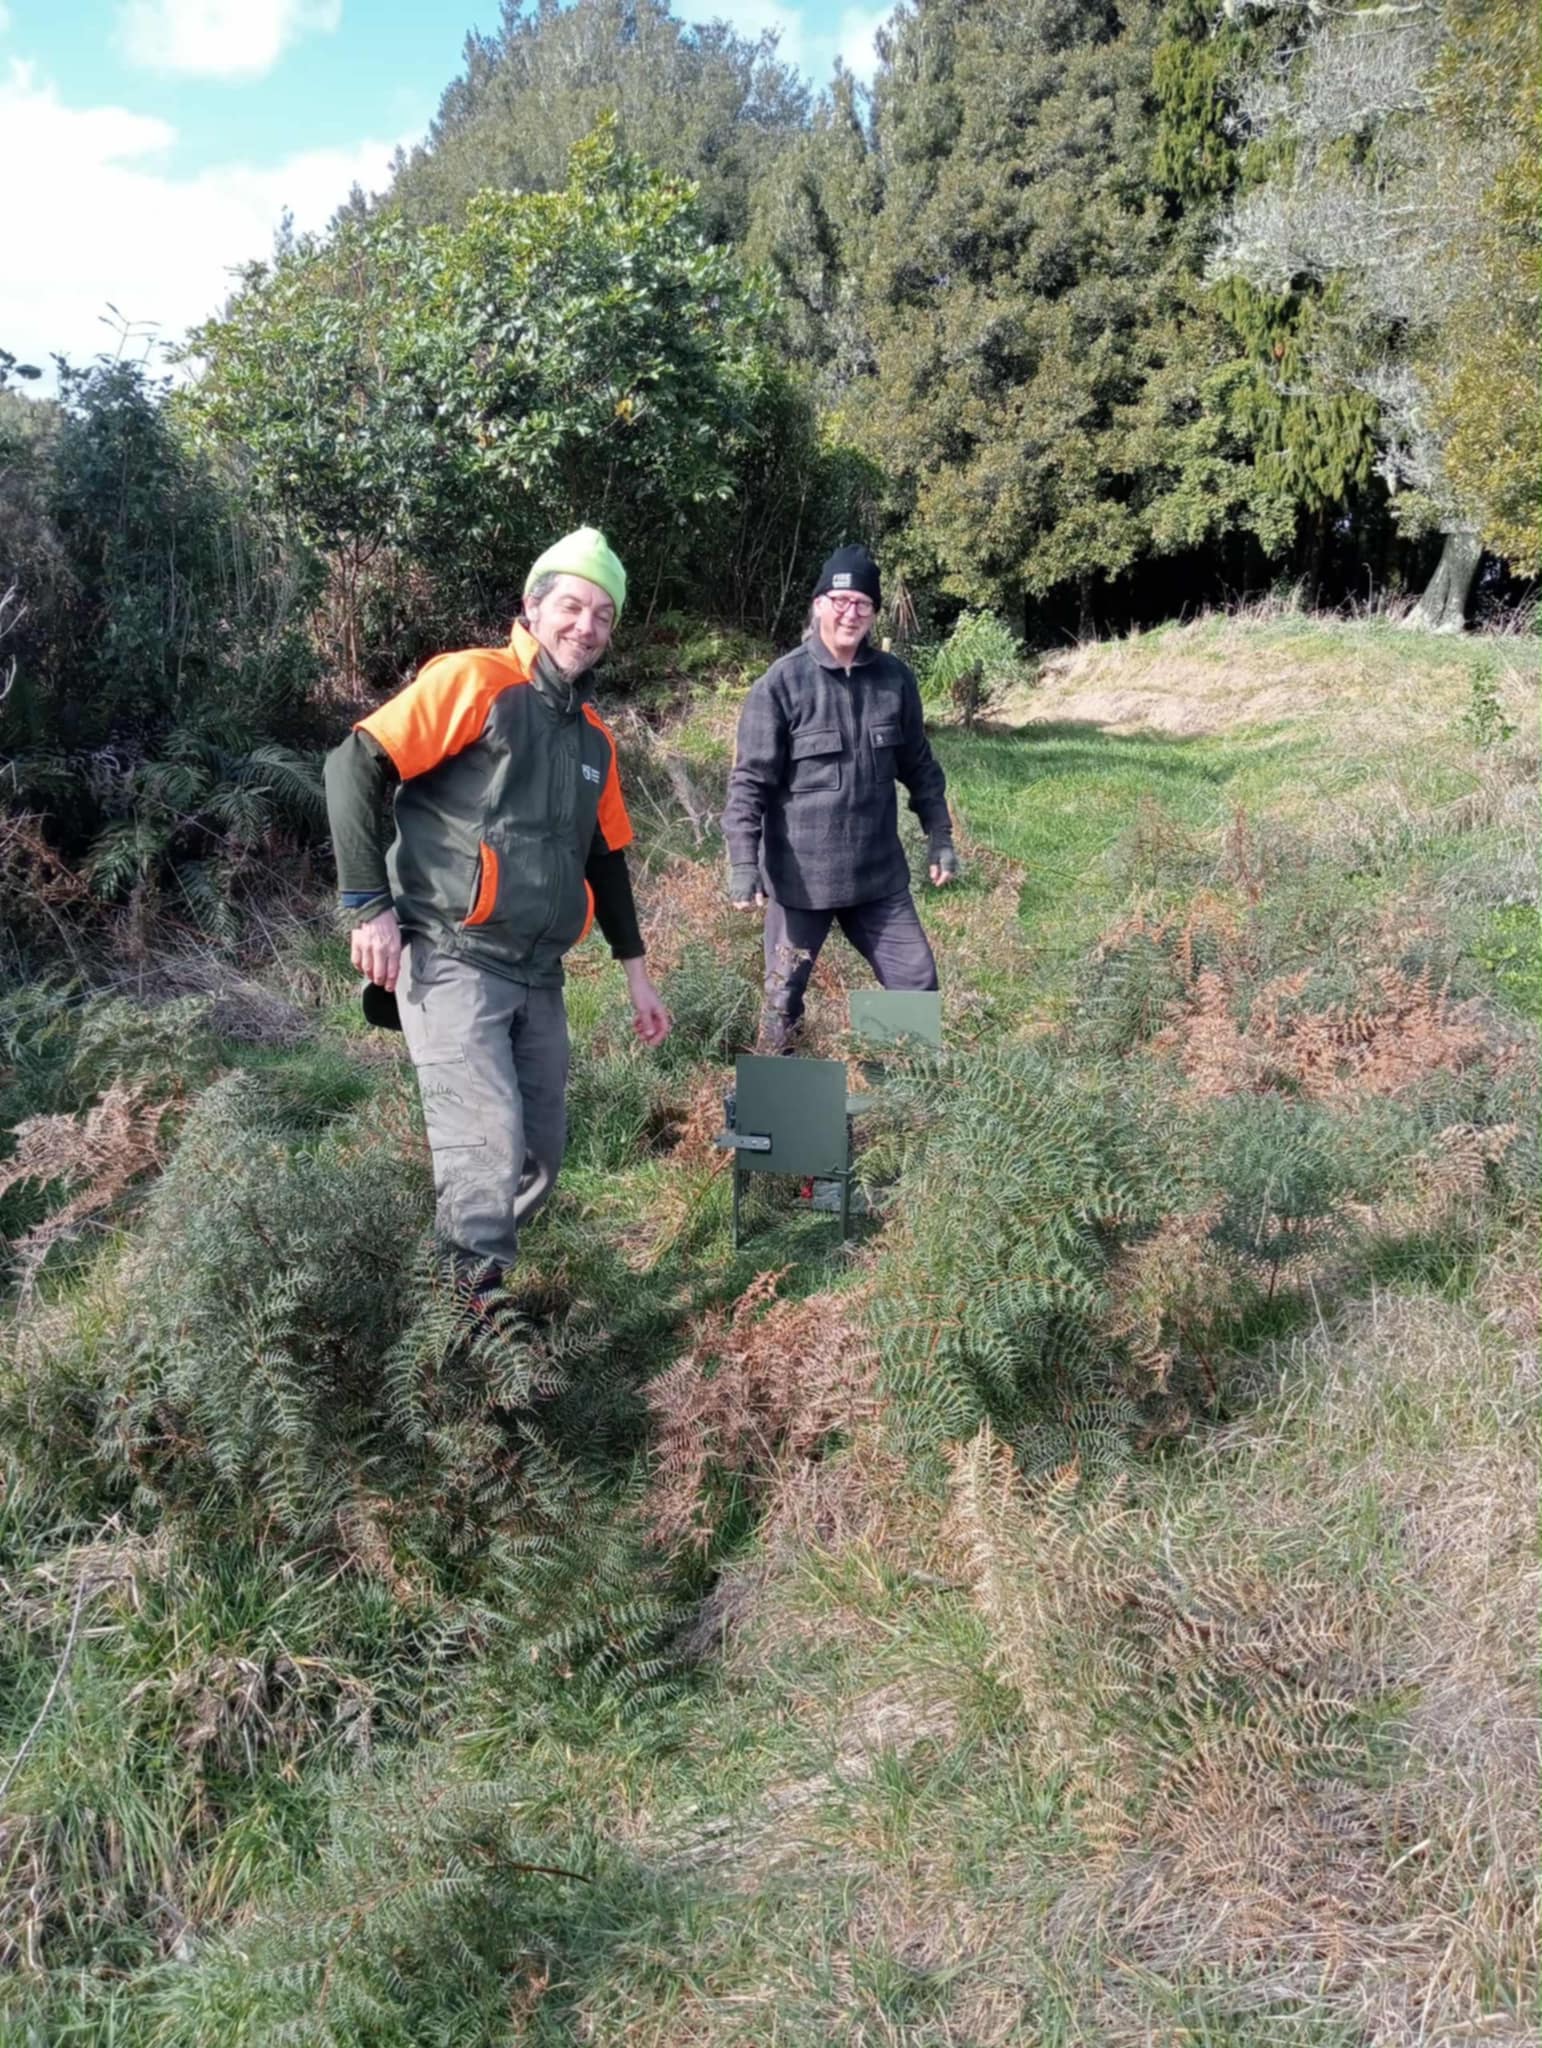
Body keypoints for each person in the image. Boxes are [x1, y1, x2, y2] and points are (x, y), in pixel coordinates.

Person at [323, 526, 670, 1286]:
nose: (586, 626)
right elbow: (355, 762)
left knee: (537, 1159)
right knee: (485, 1151)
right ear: (534, 607)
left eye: (603, 614)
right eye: (573, 606)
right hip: (452, 957)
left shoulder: (595, 741)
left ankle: (448, 1280)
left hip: (539, 974)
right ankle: (471, 1333)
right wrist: (368, 908)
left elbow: (605, 860)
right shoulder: (476, 682)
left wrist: (637, 976)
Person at [722, 544, 956, 1051]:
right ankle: (780, 1116)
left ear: (874, 613)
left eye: (863, 604)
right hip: (801, 882)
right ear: (819, 604)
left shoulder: (895, 680)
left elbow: (920, 767)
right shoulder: (781, 684)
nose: (851, 613)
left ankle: (902, 1104)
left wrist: (940, 836)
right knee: (782, 1000)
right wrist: (744, 863)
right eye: (841, 600)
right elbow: (749, 784)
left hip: (878, 880)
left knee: (916, 985)